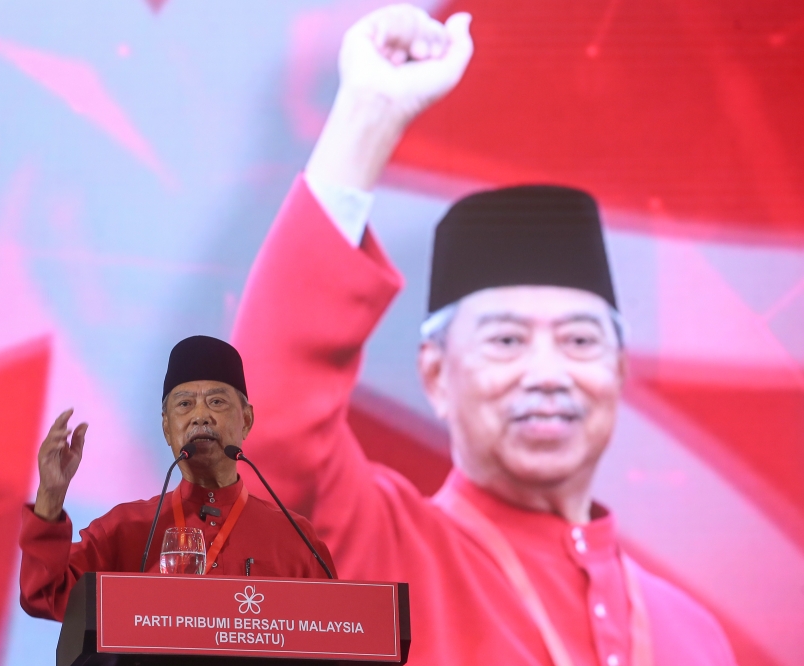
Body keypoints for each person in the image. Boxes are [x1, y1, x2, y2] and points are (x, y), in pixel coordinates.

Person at [231, 5, 736, 666]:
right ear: (436, 375)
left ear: (618, 372)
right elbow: (263, 426)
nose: (547, 372)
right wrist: (368, 116)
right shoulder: (378, 551)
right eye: (506, 341)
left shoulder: (694, 636)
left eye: (580, 341)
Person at [19, 335, 336, 621]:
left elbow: (336, 631)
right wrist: (50, 495)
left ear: (247, 420)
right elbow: (45, 594)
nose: (200, 416)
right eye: (185, 404)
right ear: (167, 428)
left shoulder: (295, 539)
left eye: (216, 402)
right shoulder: (123, 529)